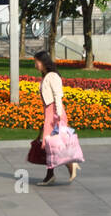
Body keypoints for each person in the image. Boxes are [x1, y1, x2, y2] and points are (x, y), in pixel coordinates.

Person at [33, 50, 81, 185]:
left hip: (54, 113)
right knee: (51, 144)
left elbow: (58, 96)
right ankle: (60, 169)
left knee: (51, 144)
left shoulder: (52, 76)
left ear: (43, 62)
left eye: (36, 62)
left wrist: (58, 115)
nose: (35, 65)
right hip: (49, 112)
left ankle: (55, 173)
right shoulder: (46, 76)